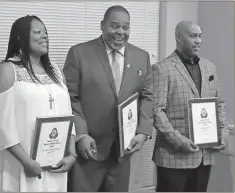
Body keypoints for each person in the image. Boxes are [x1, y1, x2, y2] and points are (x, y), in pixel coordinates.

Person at [63, 5, 154, 192]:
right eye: (115, 26)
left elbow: (148, 97)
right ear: (102, 25)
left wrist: (143, 132)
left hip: (122, 153)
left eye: (126, 27)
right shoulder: (79, 54)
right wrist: (80, 134)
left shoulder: (141, 57)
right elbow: (70, 97)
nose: (121, 32)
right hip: (88, 151)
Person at [0, 15, 77, 192]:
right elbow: (0, 126)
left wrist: (72, 153)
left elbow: (67, 116)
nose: (45, 36)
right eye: (37, 32)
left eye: (46, 32)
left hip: (56, 163)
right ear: (20, 38)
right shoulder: (7, 70)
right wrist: (27, 162)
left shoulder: (56, 71)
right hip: (21, 165)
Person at [152, 20, 228, 192]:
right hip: (173, 158)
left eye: (200, 36)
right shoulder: (161, 69)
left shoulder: (210, 67)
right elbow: (157, 111)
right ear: (178, 37)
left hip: (204, 157)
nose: (198, 40)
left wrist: (223, 131)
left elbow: (219, 103)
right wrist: (179, 141)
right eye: (193, 36)